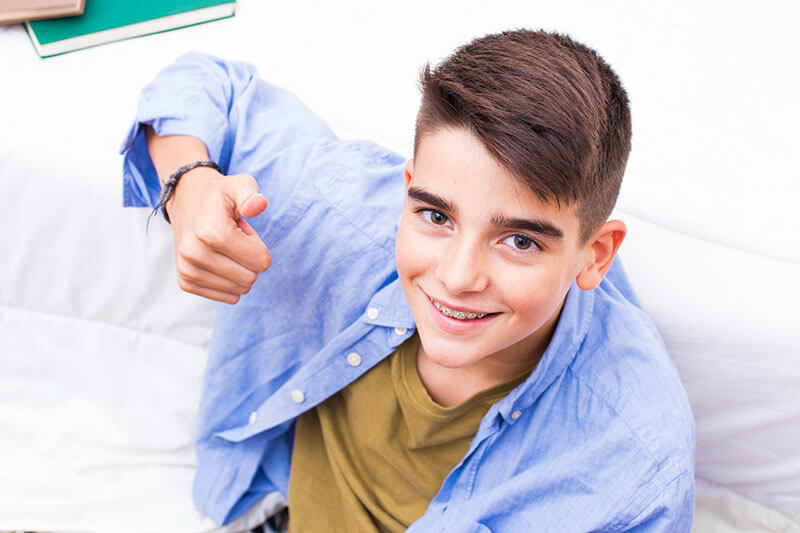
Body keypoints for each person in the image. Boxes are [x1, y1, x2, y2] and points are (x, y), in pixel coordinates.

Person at [121, 30, 695, 532]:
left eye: (520, 241)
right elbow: (207, 82)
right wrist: (189, 184)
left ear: (595, 256)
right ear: (407, 191)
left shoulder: (635, 464)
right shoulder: (343, 206)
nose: (456, 276)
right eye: (436, 216)